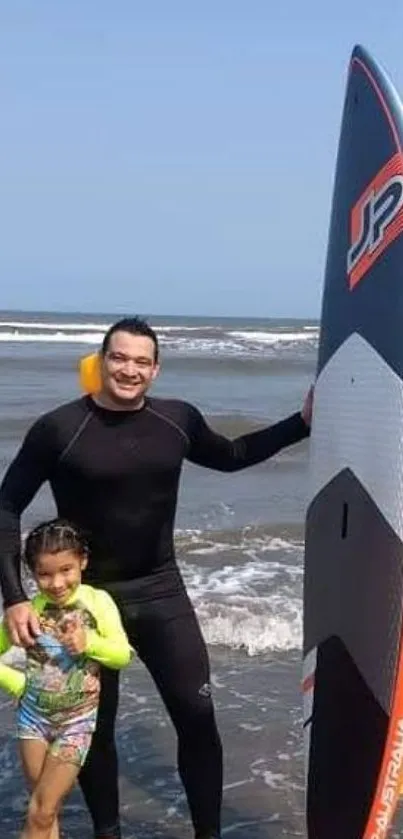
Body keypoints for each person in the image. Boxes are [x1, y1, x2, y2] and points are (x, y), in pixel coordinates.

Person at [0, 316, 313, 839]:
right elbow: (6, 508)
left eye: (142, 361)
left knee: (196, 715)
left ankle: (208, 835)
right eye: (119, 358)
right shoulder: (59, 428)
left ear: (156, 369)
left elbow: (234, 456)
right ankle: (108, 833)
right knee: (95, 731)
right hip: (87, 602)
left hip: (160, 589)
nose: (129, 369)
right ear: (101, 361)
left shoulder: (176, 420)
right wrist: (15, 597)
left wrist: (302, 422)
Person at [0, 517, 133, 839]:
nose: (57, 583)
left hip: (77, 723)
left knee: (41, 811)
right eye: (44, 574)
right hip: (33, 720)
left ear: (82, 562)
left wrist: (91, 643)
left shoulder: (98, 602)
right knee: (46, 812)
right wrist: (19, 683)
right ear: (32, 574)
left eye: (66, 570)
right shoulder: (28, 611)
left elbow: (122, 654)